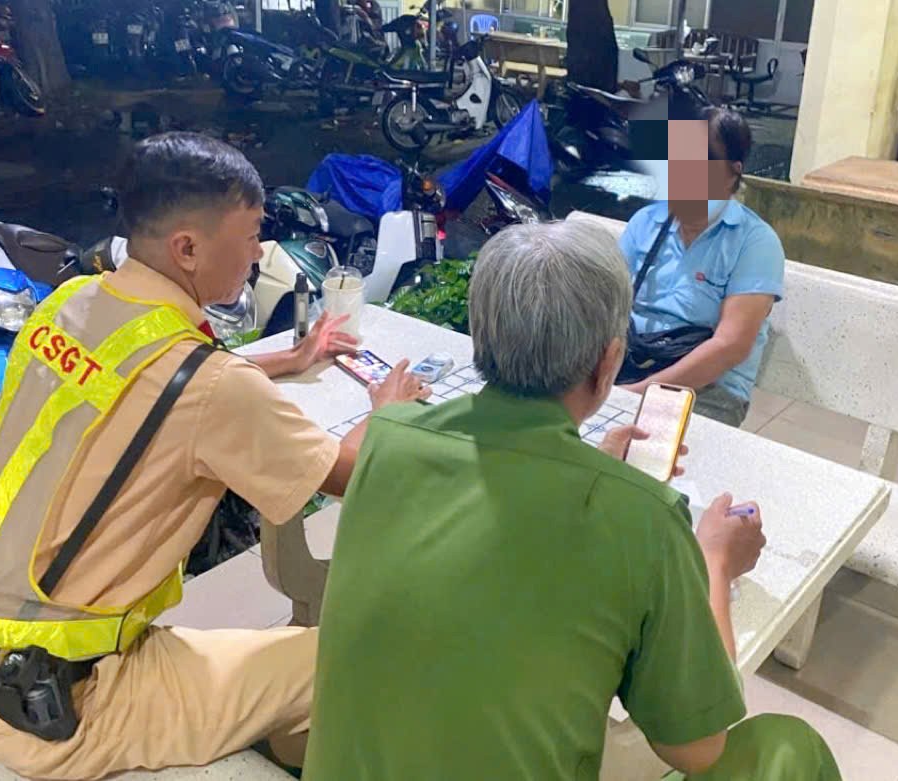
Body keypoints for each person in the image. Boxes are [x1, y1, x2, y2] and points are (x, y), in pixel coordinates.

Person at [304, 220, 841, 780]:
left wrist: (598, 473)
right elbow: (696, 747)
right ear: (609, 362)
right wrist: (714, 561)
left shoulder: (387, 442)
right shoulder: (643, 516)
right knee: (787, 747)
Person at [0, 132, 427, 780]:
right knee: (348, 657)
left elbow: (154, 378)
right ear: (187, 248)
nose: (257, 253)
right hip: (72, 704)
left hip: (14, 653)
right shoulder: (214, 387)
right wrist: (387, 410)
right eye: (249, 235)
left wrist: (290, 358)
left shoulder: (69, 305)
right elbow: (350, 472)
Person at [618, 108, 786, 428]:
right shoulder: (646, 222)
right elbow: (605, 305)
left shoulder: (754, 242)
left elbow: (730, 347)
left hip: (708, 391)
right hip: (631, 364)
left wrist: (639, 394)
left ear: (733, 173)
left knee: (643, 456)